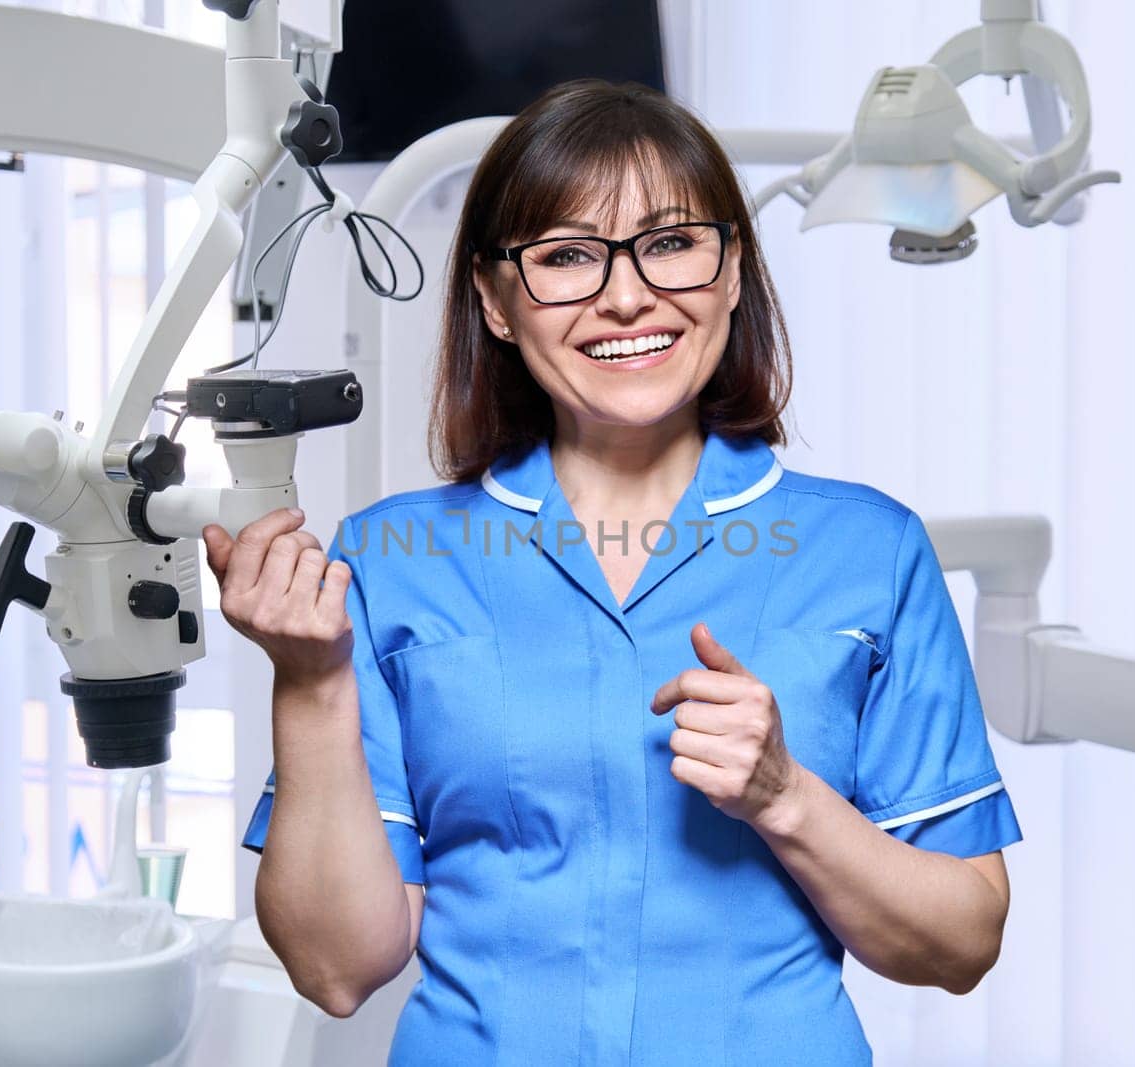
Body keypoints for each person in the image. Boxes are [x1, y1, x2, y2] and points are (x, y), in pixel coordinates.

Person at [207, 78, 1022, 1067]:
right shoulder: (390, 561)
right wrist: (309, 681)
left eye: (672, 243)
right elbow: (337, 968)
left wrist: (785, 797)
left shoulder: (870, 553)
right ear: (496, 302)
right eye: (564, 257)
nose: (627, 294)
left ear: (730, 272)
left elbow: (960, 941)